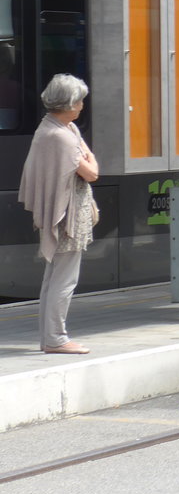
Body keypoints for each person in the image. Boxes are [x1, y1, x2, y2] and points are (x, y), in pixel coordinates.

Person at [19, 73, 99, 355]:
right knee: (64, 279)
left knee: (54, 277)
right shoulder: (62, 136)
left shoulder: (57, 129)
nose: (81, 107)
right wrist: (87, 159)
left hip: (61, 213)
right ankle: (56, 338)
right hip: (65, 218)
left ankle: (50, 337)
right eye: (79, 102)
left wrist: (87, 159)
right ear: (68, 103)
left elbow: (90, 167)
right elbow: (92, 172)